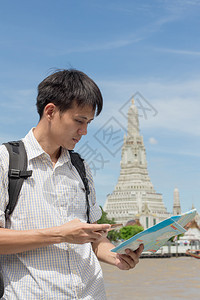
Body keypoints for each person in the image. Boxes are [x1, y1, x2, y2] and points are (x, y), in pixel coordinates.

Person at [0, 69, 143, 299]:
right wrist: (61, 235)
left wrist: (116, 256)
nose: (84, 132)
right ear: (50, 111)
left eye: (89, 123)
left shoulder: (80, 167)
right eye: (79, 121)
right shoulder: (6, 161)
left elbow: (95, 240)